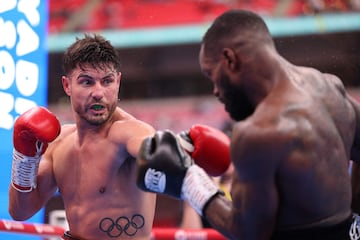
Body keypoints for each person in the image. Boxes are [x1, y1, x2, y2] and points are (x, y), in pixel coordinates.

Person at [136, 9, 360, 240]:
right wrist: (351, 223)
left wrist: (189, 181)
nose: (215, 91)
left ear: (230, 60)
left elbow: (249, 232)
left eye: (212, 75)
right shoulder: (331, 88)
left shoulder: (259, 132)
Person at [8, 34, 157, 240]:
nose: (98, 92)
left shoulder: (130, 133)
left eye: (107, 81)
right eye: (87, 82)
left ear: (118, 82)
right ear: (67, 86)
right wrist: (24, 159)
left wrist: (165, 155)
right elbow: (20, 212)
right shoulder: (59, 144)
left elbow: (152, 149)